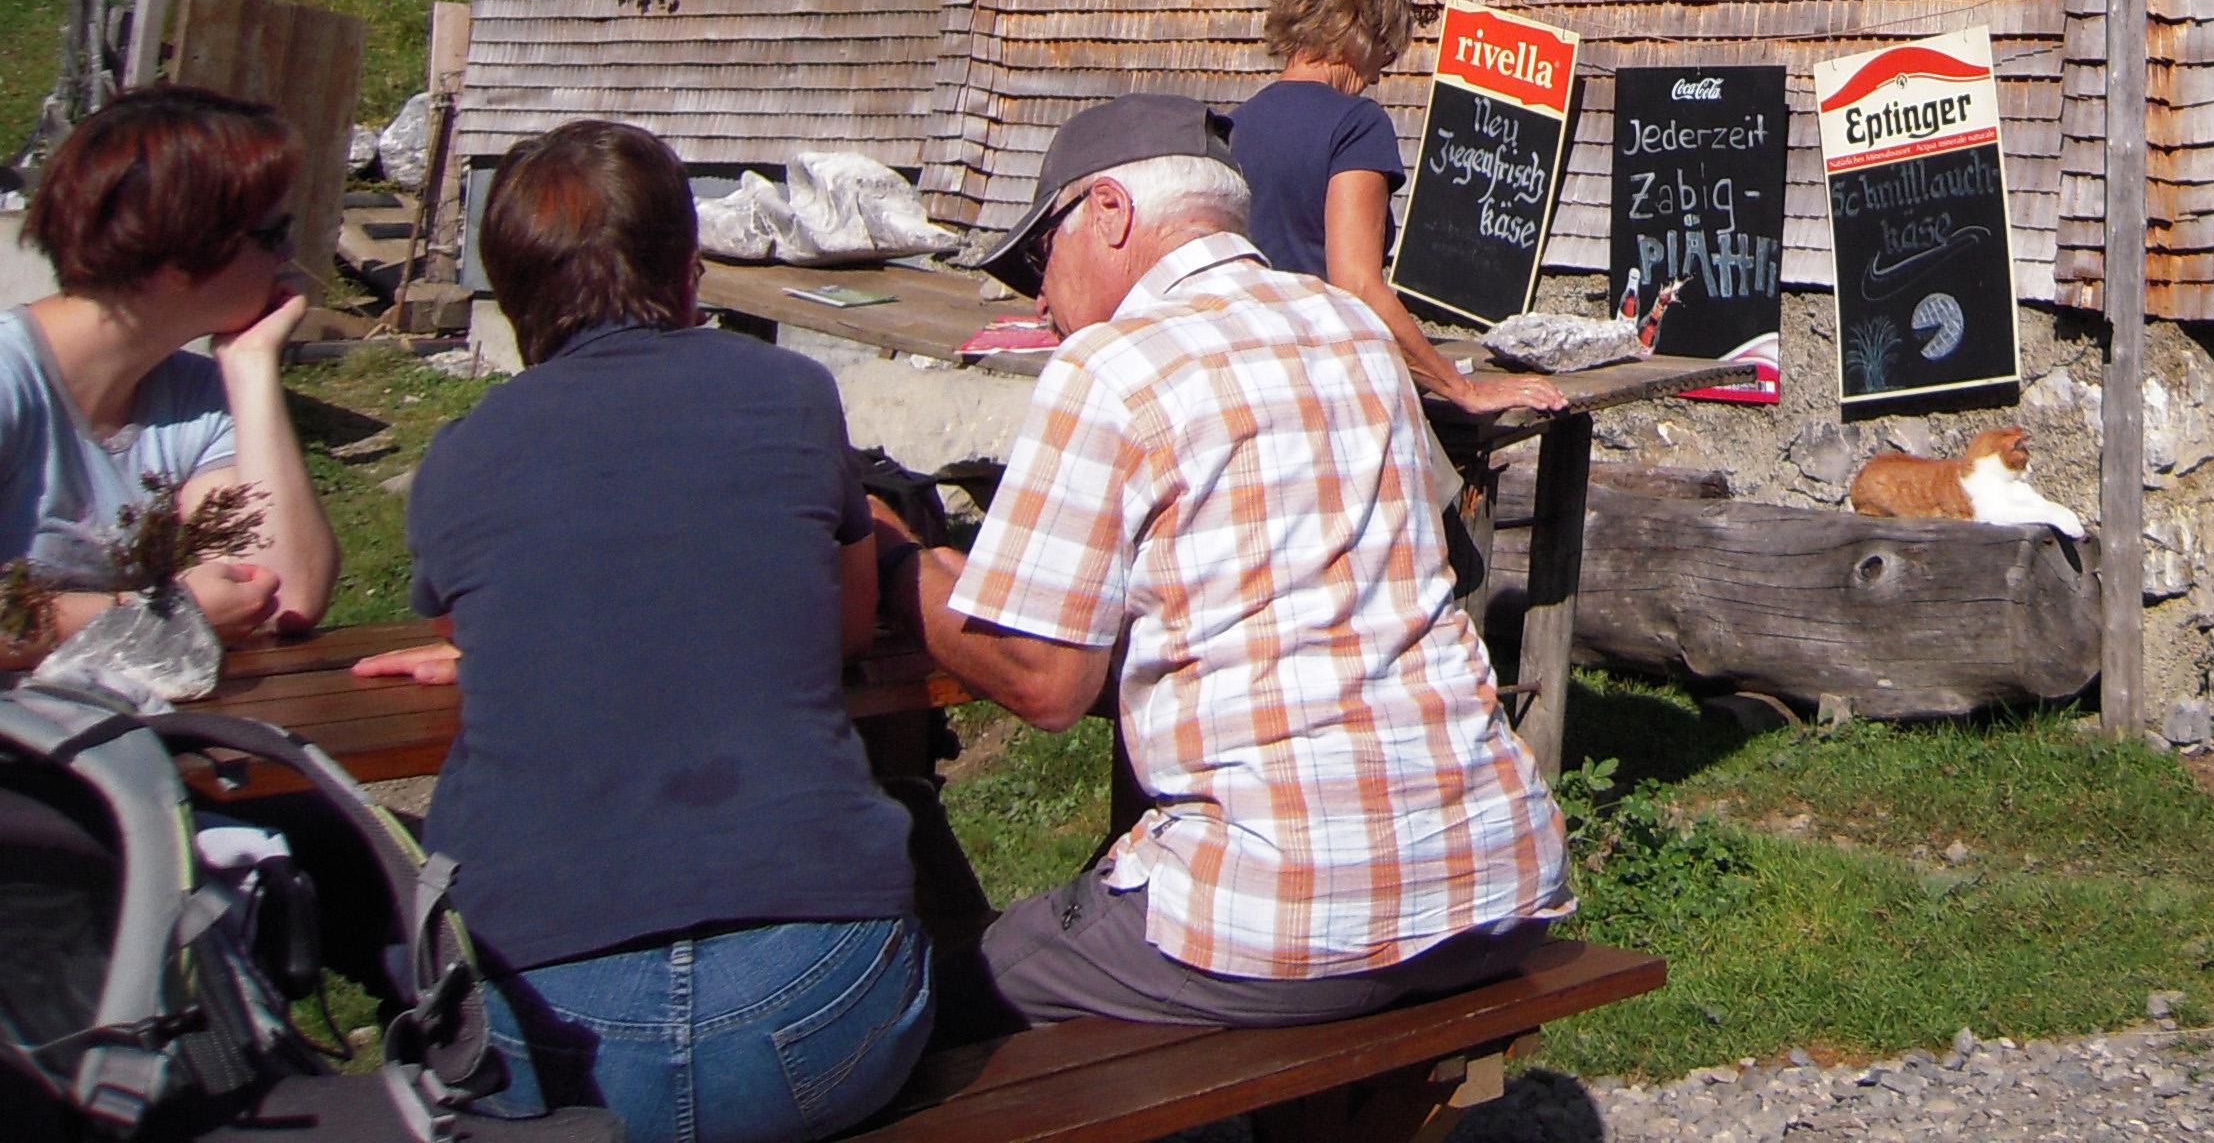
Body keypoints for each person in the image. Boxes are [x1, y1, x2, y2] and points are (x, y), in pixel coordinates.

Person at [922, 95, 1569, 1025]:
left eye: (1040, 255)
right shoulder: (1352, 329)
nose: (1038, 296)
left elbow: (1045, 683)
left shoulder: (1110, 365)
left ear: (1110, 211)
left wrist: (898, 565)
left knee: (923, 1001)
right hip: (1499, 878)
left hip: (1290, 918)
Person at [352, 122, 930, 1143]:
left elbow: (476, 611)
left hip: (547, 1021)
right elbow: (844, 623)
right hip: (816, 995)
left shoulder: (462, 458)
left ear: (509, 291)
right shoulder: (790, 393)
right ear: (688, 264)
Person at [1, 88, 335, 659]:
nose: (289, 257)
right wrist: (155, 617)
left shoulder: (196, 393)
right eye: (273, 234)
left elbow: (284, 597)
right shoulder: (11, 381)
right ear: (183, 256)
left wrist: (252, 366)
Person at [1230, 0, 1563, 417]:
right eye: (1385, 49)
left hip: (1246, 376)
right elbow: (1357, 285)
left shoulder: (1235, 124)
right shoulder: (1355, 124)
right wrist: (1462, 389)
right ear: (1357, 32)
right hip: (1322, 386)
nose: (1380, 72)